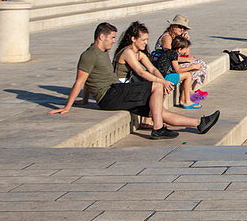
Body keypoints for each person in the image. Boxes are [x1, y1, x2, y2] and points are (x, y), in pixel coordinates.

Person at [50, 22, 220, 139]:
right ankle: (158, 129)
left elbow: (151, 69)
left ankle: (199, 123)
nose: (114, 41)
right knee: (156, 87)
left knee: (159, 110)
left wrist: (86, 99)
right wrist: (67, 106)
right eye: (111, 38)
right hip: (110, 95)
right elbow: (80, 80)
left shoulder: (101, 52)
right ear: (101, 37)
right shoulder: (90, 54)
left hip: (116, 92)